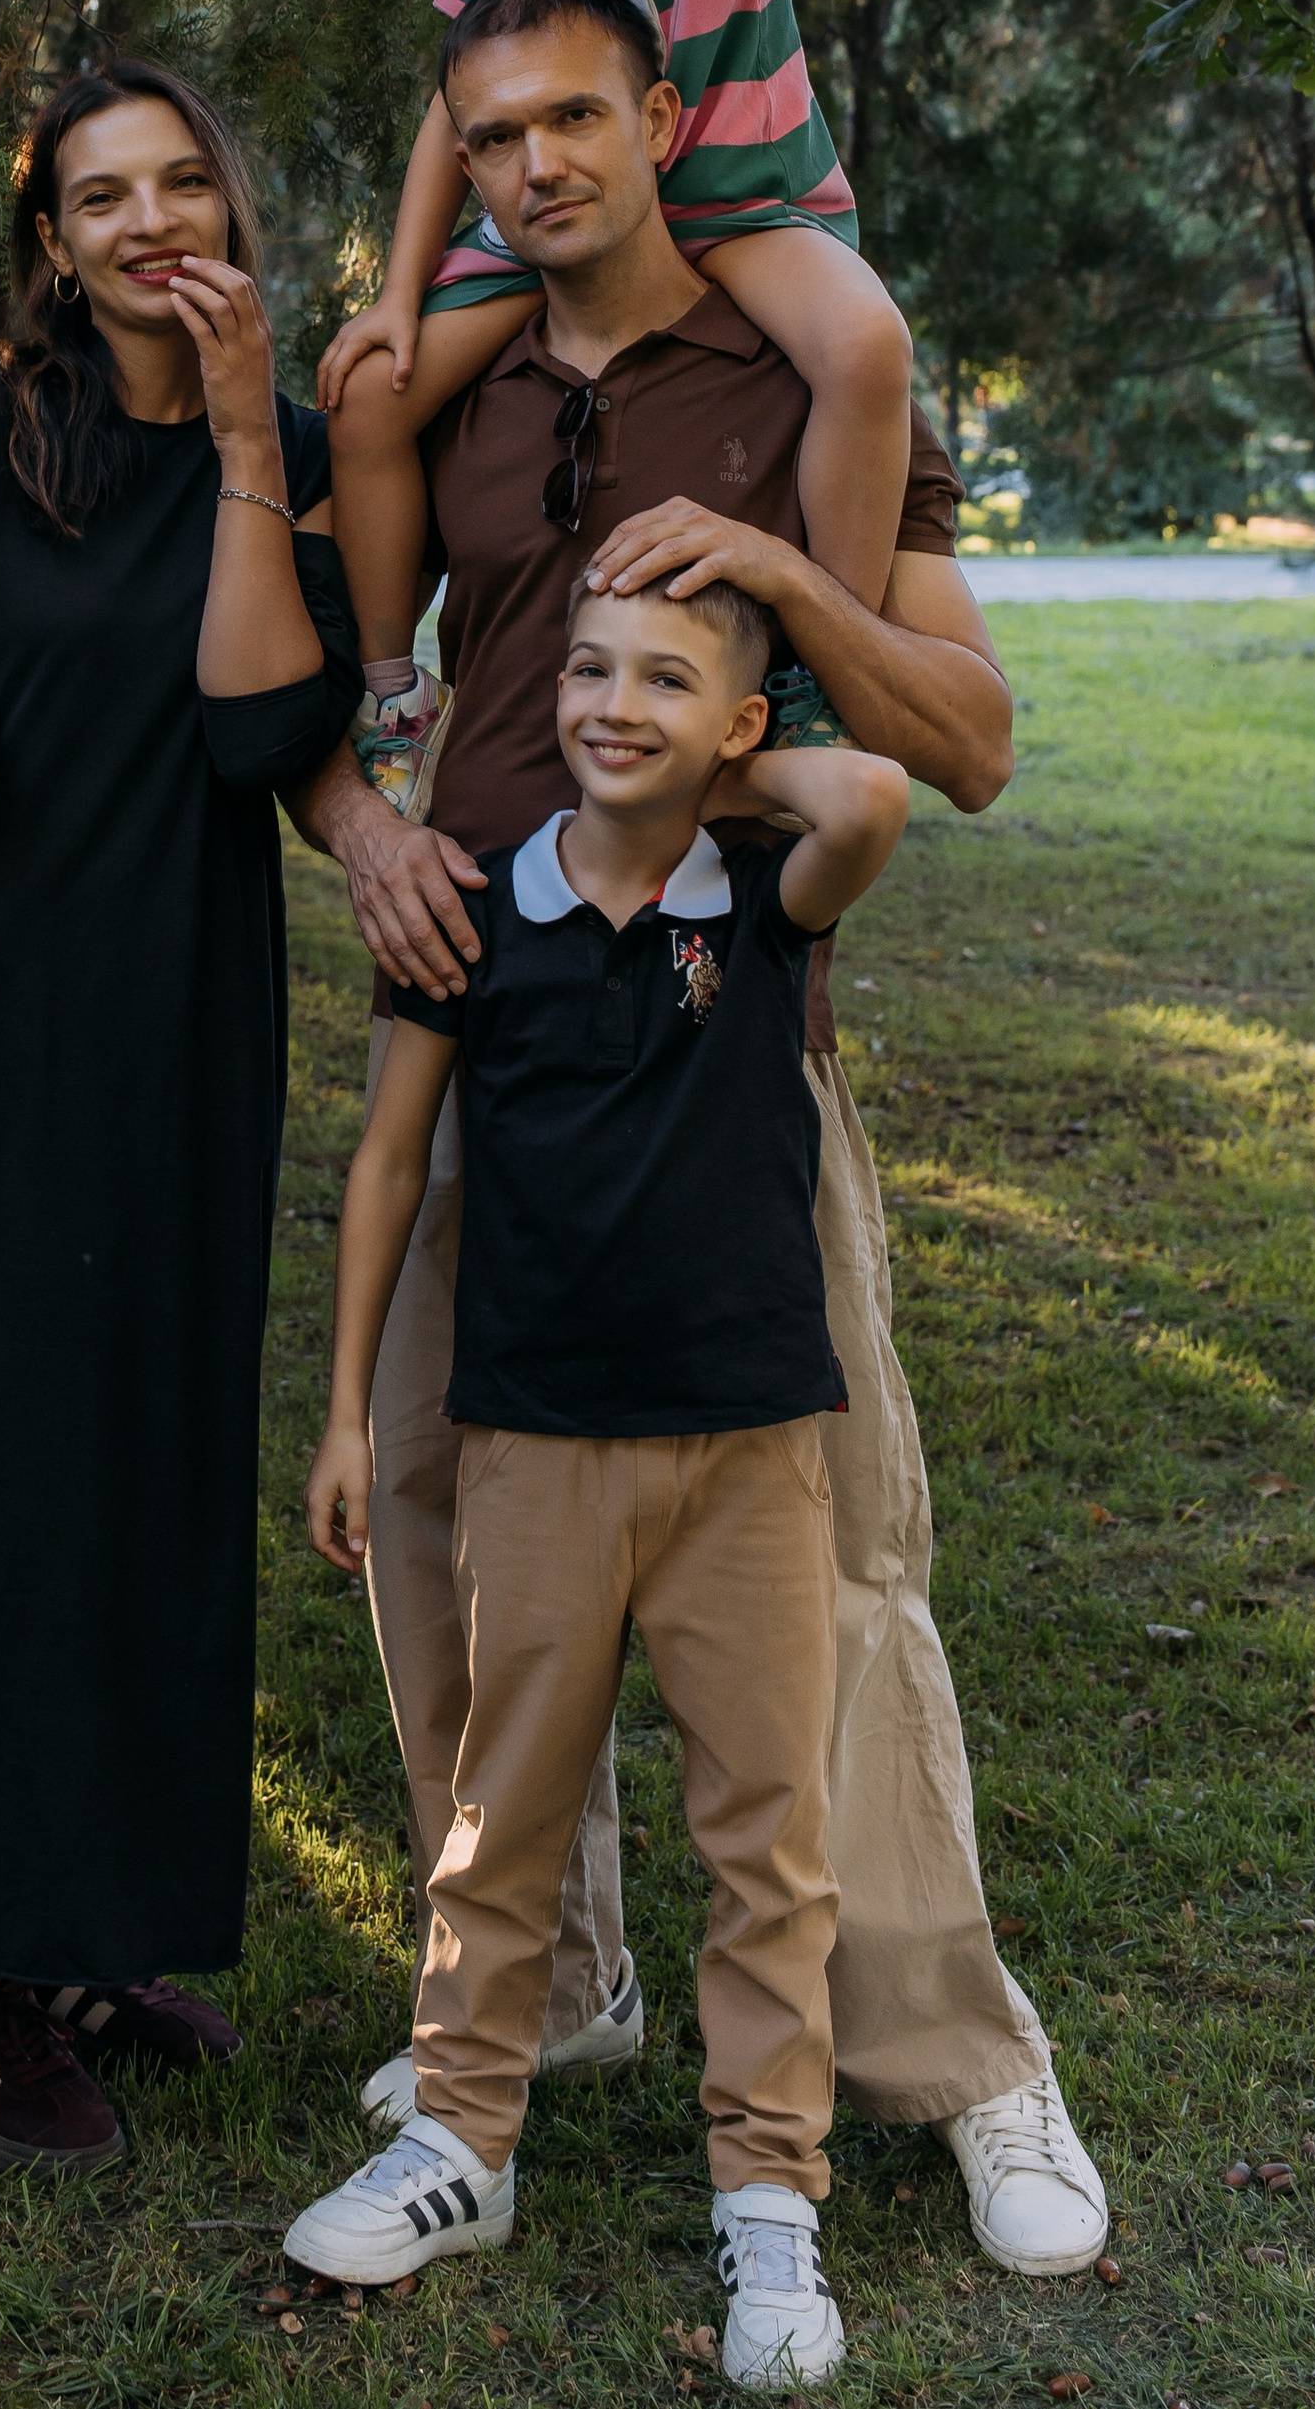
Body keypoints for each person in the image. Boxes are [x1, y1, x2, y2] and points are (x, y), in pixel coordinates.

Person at [288, 0, 1113, 2278]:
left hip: (733, 1060)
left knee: (828, 1581)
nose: (537, 159)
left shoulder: (802, 368)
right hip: (483, 1037)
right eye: (492, 131)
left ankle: (952, 2054)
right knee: (458, 1547)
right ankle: (541, 1994)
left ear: (661, 109)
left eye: (576, 112)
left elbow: (959, 735)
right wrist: (360, 829)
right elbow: (348, 685)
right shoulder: (447, 393)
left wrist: (761, 585)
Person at [0, 59, 361, 2175]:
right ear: (48, 241)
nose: (144, 223)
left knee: (142, 1457)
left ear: (231, 197)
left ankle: (86, 1930)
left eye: (179, 181)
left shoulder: (288, 456)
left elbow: (250, 732)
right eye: (97, 197)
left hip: (186, 1014)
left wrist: (240, 439)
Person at [287, 572, 914, 2391]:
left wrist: (728, 771)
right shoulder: (478, 917)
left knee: (766, 1836)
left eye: (664, 679)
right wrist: (346, 1410)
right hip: (536, 1445)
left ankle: (770, 2197)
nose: (607, 699)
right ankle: (461, 2141)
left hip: (747, 1451)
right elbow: (391, 1166)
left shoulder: (769, 904)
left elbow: (866, 796)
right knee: (504, 1816)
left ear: (741, 731)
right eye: (581, 666)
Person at [321, 0, 914, 804]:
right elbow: (454, 112)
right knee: (369, 399)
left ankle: (817, 665)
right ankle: (391, 692)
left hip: (746, 208)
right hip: (559, 230)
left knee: (864, 344)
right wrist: (396, 294)